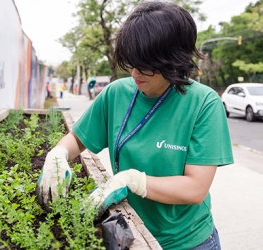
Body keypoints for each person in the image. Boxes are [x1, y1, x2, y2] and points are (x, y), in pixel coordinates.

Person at [36, 2, 234, 249]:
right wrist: (58, 154)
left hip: (187, 241)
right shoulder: (117, 93)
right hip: (130, 234)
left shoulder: (203, 103)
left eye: (146, 65)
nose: (135, 73)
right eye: (131, 62)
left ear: (173, 59)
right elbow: (78, 139)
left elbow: (195, 188)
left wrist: (132, 180)